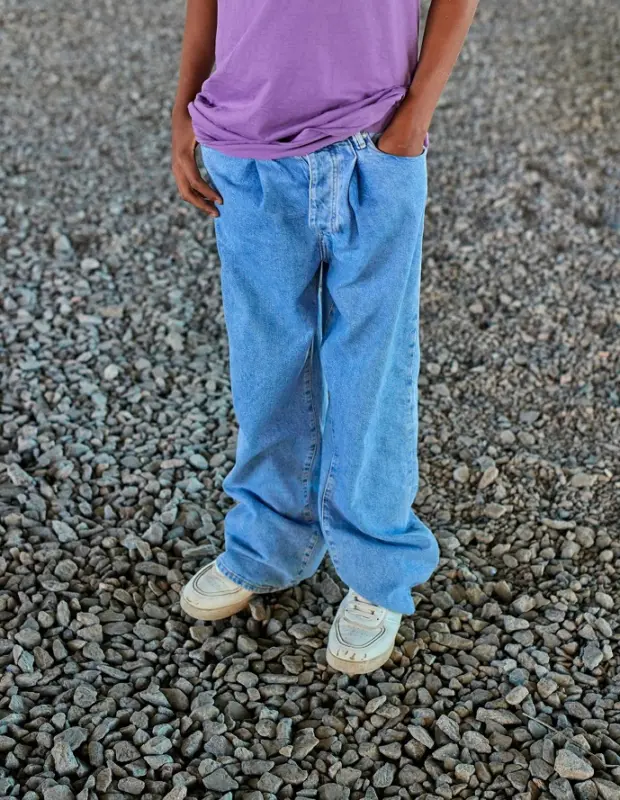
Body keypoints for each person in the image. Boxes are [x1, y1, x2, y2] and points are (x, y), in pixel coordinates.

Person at [172, 0, 478, 675]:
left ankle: (377, 566)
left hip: (372, 144)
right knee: (265, 364)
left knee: (373, 366)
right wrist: (184, 107)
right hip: (245, 148)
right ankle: (268, 544)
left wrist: (414, 118)